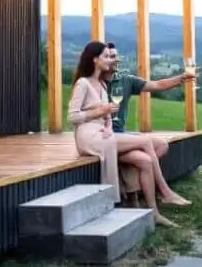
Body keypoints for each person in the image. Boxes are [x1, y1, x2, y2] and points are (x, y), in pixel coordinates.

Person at [68, 41, 190, 228]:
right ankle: (164, 192)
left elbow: (108, 115)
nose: (112, 60)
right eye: (107, 56)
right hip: (88, 136)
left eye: (112, 56)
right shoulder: (83, 83)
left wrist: (107, 123)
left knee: (146, 160)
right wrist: (99, 113)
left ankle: (153, 212)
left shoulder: (101, 84)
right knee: (145, 143)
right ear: (95, 59)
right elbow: (73, 117)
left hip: (105, 133)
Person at [103, 41, 194, 158]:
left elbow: (157, 85)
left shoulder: (126, 81)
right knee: (142, 159)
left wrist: (182, 77)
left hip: (121, 134)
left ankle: (130, 168)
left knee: (162, 145)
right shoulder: (93, 83)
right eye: (111, 57)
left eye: (116, 56)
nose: (116, 60)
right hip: (103, 137)